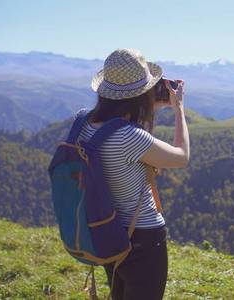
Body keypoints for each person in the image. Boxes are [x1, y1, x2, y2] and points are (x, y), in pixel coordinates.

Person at [75, 48, 190, 299]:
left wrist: (148, 107)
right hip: (144, 238)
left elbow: (117, 137)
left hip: (106, 230)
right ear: (140, 94)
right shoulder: (130, 137)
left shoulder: (83, 124)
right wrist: (178, 108)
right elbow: (181, 157)